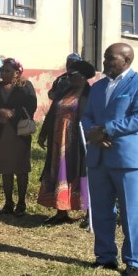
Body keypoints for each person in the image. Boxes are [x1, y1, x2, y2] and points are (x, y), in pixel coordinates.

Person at [82, 43, 138, 276]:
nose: (104, 62)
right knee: (101, 210)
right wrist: (93, 133)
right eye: (104, 57)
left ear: (126, 60)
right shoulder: (97, 87)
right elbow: (86, 115)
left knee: (130, 212)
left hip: (126, 159)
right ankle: (105, 256)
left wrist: (106, 130)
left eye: (110, 58)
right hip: (98, 157)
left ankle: (133, 262)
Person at [38, 60, 96, 224]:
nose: (68, 78)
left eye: (72, 75)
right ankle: (61, 211)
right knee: (59, 171)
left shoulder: (90, 94)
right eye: (67, 74)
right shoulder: (65, 91)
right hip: (58, 141)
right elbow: (52, 113)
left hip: (78, 142)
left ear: (83, 76)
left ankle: (89, 213)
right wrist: (43, 134)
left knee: (81, 172)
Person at [0, 58, 37, 217]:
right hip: (2, 131)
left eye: (7, 71)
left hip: (19, 132)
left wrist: (13, 113)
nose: (3, 73)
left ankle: (21, 203)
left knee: (21, 168)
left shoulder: (25, 86)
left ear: (17, 73)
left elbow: (31, 106)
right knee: (6, 168)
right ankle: (8, 202)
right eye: (2, 70)